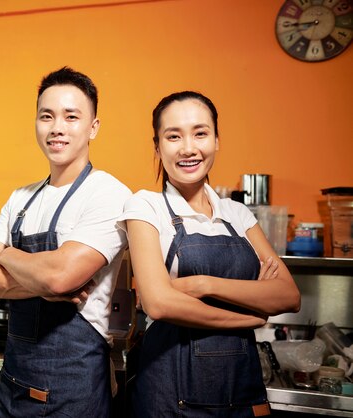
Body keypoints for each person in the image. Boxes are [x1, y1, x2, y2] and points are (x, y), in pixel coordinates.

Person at [123, 91, 301, 417]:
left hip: (240, 386)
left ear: (217, 140)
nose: (188, 148)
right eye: (173, 136)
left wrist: (203, 284)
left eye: (200, 133)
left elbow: (288, 295)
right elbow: (158, 303)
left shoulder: (237, 213)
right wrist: (247, 317)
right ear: (157, 146)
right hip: (168, 391)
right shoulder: (145, 206)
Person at [0, 67, 131, 417]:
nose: (57, 127)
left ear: (93, 127)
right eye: (47, 116)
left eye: (71, 116)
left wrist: (6, 253)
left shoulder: (109, 194)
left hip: (74, 392)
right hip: (12, 385)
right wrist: (44, 285)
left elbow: (61, 276)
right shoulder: (21, 198)